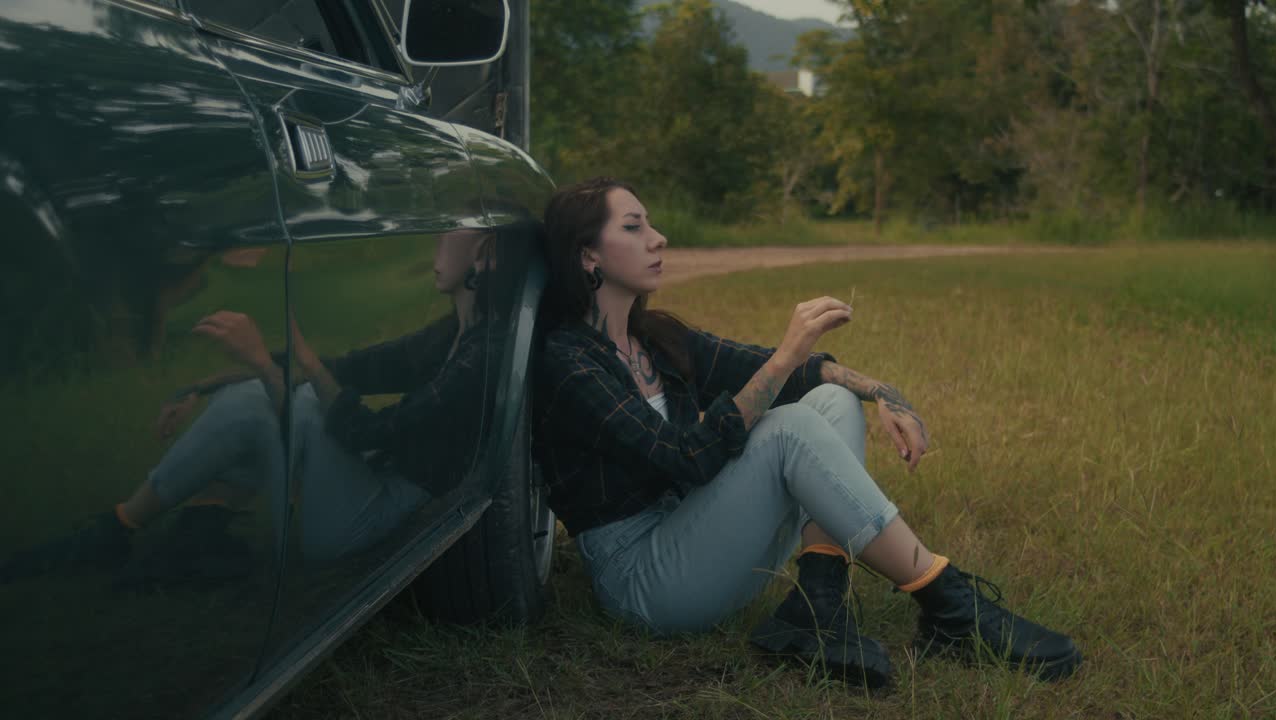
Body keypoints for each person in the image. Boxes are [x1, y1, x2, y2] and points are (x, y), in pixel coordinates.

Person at [531, 177, 1082, 690]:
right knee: (789, 426)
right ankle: (949, 604)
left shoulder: (655, 336)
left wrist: (884, 394)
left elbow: (785, 369)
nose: (658, 238)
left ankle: (817, 607)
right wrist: (785, 357)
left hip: (695, 538)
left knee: (830, 399)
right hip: (642, 579)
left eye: (650, 224)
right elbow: (683, 460)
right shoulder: (568, 361)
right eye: (633, 227)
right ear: (588, 255)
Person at [1, 229, 504, 587]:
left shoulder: (479, 356)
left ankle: (166, 530)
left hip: (364, 520)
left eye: (451, 230)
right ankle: (125, 527)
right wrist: (207, 382)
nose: (438, 238)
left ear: (483, 253)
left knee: (299, 400)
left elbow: (367, 432)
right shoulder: (449, 334)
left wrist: (270, 365)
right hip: (369, 485)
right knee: (262, 395)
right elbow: (351, 366)